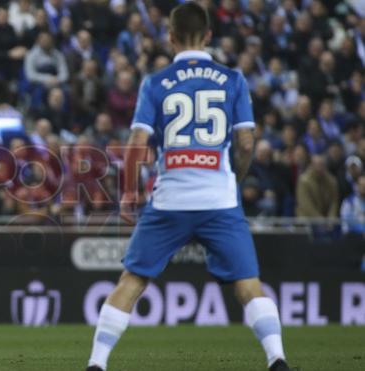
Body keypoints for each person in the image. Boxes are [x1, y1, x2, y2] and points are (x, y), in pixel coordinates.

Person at [86, 3, 290, 371]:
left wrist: (130, 193)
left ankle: (97, 364)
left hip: (170, 202)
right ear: (209, 35)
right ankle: (276, 358)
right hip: (220, 201)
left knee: (132, 281)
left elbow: (136, 143)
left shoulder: (155, 82)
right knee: (249, 286)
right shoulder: (233, 80)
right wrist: (233, 178)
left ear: (170, 36)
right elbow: (246, 143)